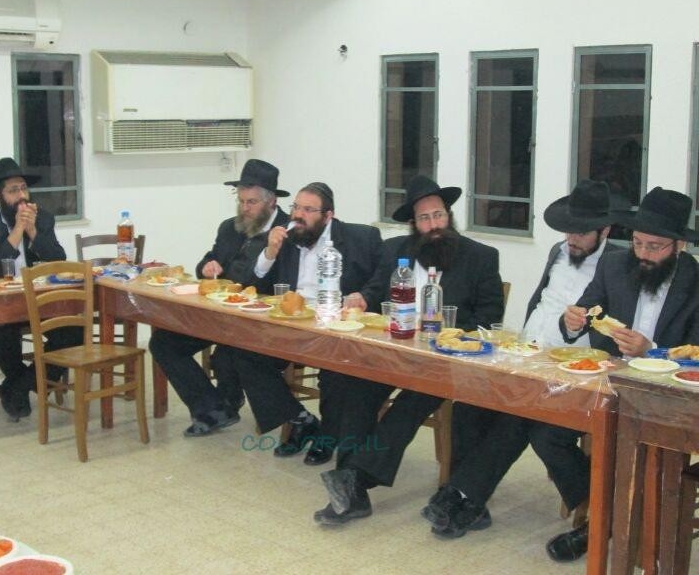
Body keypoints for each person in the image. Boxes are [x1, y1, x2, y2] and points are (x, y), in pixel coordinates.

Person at [422, 180, 624, 543]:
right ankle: (470, 501)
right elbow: (542, 304)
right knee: (470, 402)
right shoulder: (559, 252)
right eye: (568, 231)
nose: (572, 239)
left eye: (581, 233)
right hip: (528, 355)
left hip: (574, 370)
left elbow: (610, 334)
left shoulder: (617, 265)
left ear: (605, 230)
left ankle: (461, 496)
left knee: (518, 417)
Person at [314, 174, 504, 525]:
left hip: (444, 361)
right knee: (354, 384)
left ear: (449, 216)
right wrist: (362, 298)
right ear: (414, 224)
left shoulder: (481, 257)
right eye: (425, 218)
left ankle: (354, 480)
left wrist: (451, 337)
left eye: (439, 215)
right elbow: (375, 291)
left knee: (413, 399)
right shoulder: (395, 251)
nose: (434, 225)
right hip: (393, 351)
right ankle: (351, 486)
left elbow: (489, 319)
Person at [540, 186, 699, 561]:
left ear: (679, 246)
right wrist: (572, 321)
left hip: (666, 394)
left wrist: (651, 350)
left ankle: (604, 526)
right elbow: (584, 311)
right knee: (546, 431)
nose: (643, 254)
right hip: (609, 382)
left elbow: (695, 353)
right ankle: (604, 512)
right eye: (638, 243)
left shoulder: (696, 281)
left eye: (654, 247)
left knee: (640, 447)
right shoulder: (614, 265)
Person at [227, 182, 383, 465]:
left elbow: (381, 280)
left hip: (334, 327)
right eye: (296, 207)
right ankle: (300, 419)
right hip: (292, 325)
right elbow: (249, 283)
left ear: (328, 215)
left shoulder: (361, 238)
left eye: (308, 210)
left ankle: (328, 437)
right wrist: (269, 253)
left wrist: (364, 296)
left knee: (335, 373)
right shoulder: (286, 236)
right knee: (244, 352)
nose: (298, 215)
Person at [148, 159, 290, 436]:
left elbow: (284, 282)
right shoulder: (230, 227)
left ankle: (226, 402)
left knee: (228, 353)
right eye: (241, 201)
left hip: (256, 318)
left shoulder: (287, 232)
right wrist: (207, 267)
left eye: (251, 202)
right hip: (217, 313)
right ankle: (212, 407)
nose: (245, 208)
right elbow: (208, 259)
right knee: (163, 342)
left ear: (271, 201)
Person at [0, 158, 81, 421]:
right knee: (0, 337)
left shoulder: (43, 218)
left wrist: (33, 232)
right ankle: (22, 386)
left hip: (40, 301)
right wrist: (18, 230)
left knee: (75, 332)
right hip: (0, 304)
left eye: (24, 189)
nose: (21, 196)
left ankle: (16, 387)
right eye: (13, 190)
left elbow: (58, 260)